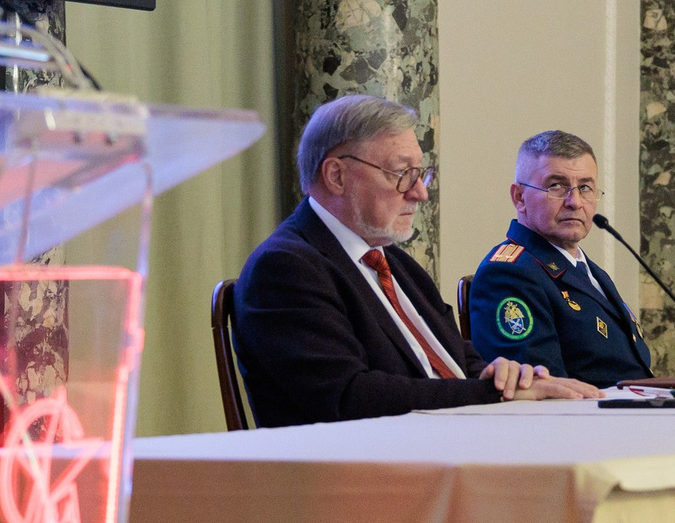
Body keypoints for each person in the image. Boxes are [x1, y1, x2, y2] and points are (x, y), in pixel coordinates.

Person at [232, 95, 600, 426]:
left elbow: (459, 361)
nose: (421, 192)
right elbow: (347, 396)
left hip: (444, 451)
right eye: (402, 174)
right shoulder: (285, 267)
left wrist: (505, 375)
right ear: (336, 175)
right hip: (358, 480)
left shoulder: (395, 264)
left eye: (420, 173)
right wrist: (495, 395)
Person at [466, 130, 653, 388]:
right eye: (556, 186)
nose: (574, 202)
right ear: (519, 198)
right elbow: (541, 388)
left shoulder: (586, 269)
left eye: (585, 187)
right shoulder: (509, 274)